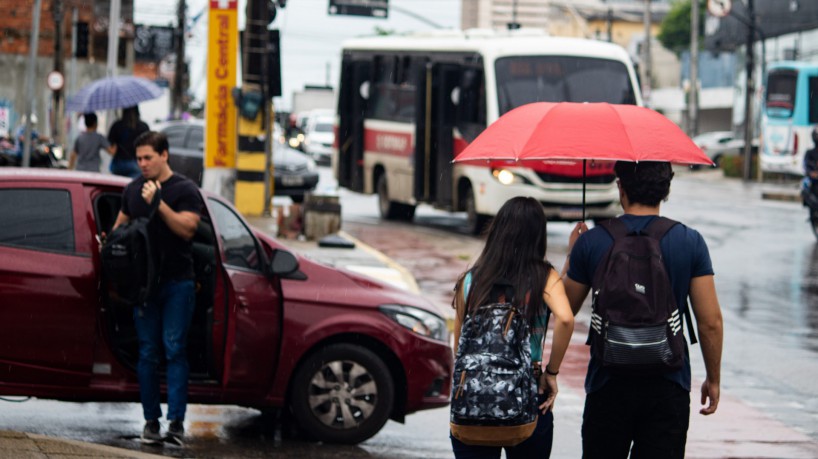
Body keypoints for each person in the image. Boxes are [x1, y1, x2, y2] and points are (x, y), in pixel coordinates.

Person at [562, 161, 724, 459]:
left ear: (620, 187)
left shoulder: (593, 241)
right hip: (668, 384)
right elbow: (710, 322)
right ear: (666, 190)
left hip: (607, 382)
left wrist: (574, 253)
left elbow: (565, 310)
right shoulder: (690, 241)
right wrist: (713, 379)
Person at [450, 196, 575, 458]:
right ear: (537, 235)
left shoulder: (471, 280)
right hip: (528, 390)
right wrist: (551, 373)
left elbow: (459, 346)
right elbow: (565, 318)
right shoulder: (544, 276)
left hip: (473, 398)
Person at [112, 131, 202, 444]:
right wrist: (109, 244)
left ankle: (176, 422)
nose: (142, 164)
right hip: (144, 287)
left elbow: (187, 229)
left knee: (174, 349)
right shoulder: (133, 189)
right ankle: (152, 420)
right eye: (138, 159)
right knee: (148, 352)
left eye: (148, 157)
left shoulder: (184, 189)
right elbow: (120, 228)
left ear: (165, 155)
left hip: (178, 283)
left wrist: (159, 203)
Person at [108, 106, 149, 178]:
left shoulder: (117, 125)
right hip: (136, 162)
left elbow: (111, 147)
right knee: (133, 187)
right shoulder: (143, 126)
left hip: (118, 164)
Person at [803, 129, 818, 194]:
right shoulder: (809, 153)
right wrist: (811, 173)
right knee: (805, 183)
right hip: (812, 180)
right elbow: (805, 166)